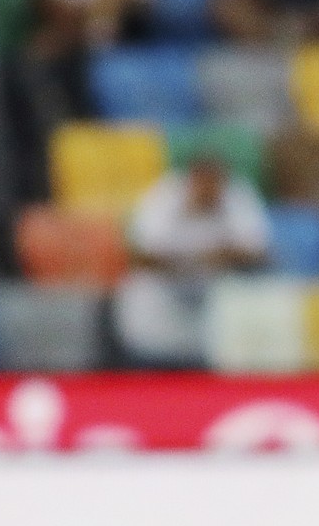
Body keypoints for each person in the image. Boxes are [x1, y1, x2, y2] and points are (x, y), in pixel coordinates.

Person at [114, 155, 271, 367]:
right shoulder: (163, 195)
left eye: (214, 184)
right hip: (159, 304)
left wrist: (223, 255)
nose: (207, 191)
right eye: (202, 184)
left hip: (212, 308)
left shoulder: (238, 196)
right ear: (190, 181)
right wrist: (191, 261)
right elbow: (139, 255)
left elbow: (259, 252)